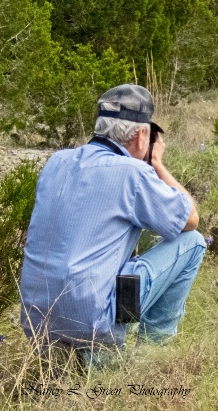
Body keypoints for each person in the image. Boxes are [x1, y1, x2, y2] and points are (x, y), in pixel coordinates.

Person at [19, 84, 205, 366]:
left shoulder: (56, 162)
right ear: (142, 135)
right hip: (94, 327)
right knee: (193, 243)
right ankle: (151, 352)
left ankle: (70, 356)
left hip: (37, 326)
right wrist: (156, 163)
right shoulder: (134, 173)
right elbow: (190, 219)